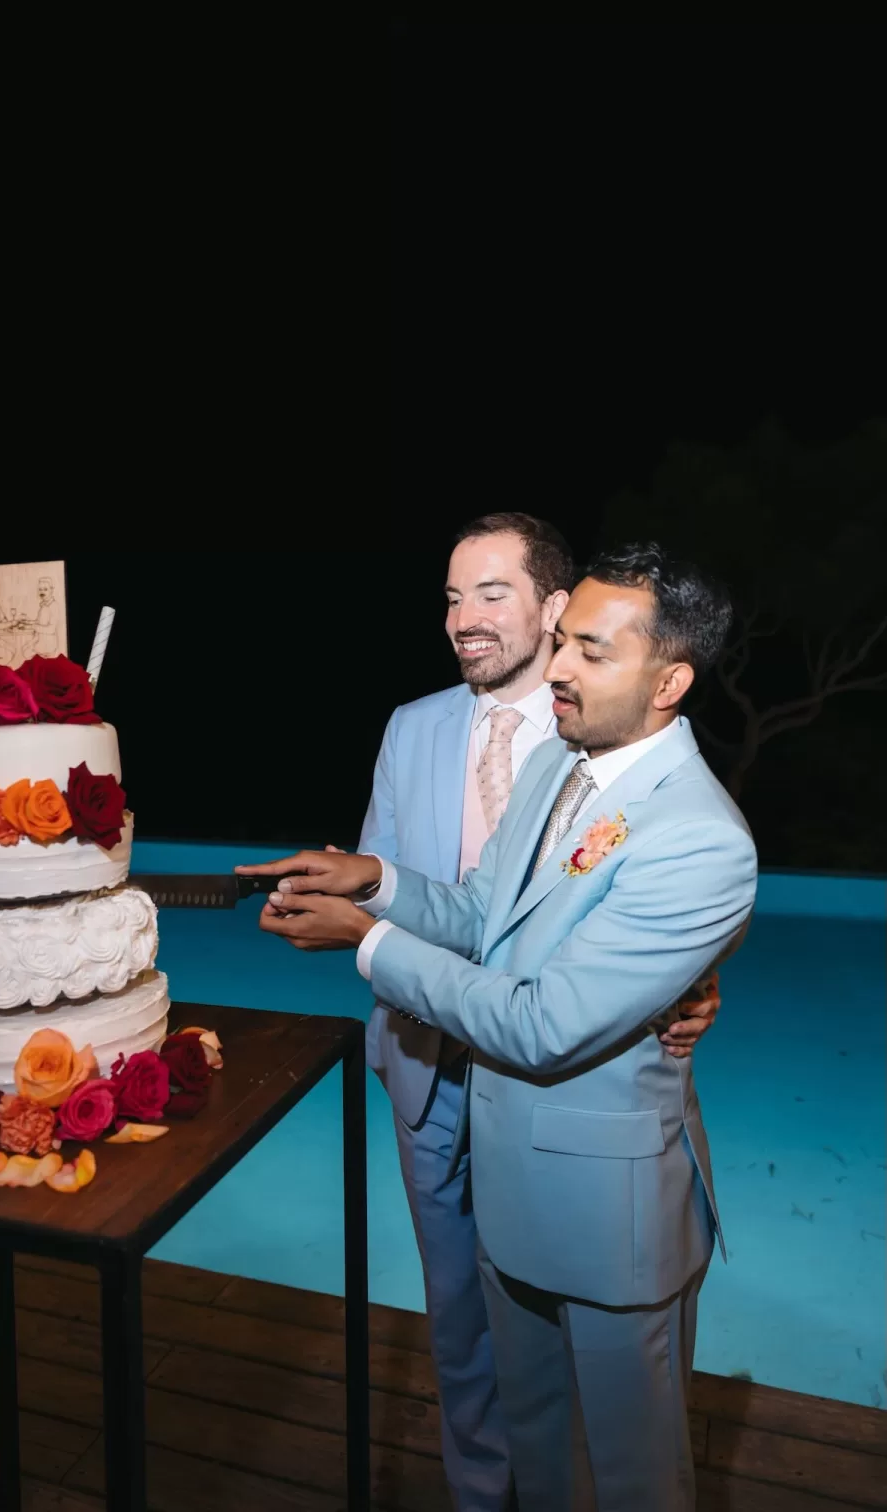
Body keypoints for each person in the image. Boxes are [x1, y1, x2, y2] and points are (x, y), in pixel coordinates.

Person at [241, 532, 740, 1512]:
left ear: (669, 680)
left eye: (593, 650)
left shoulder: (702, 840)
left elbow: (545, 1023)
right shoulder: (563, 769)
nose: (558, 663)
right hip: (511, 1204)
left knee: (633, 1484)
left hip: (608, 1228)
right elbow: (480, 914)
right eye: (566, 642)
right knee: (543, 1465)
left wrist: (367, 943)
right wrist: (376, 881)